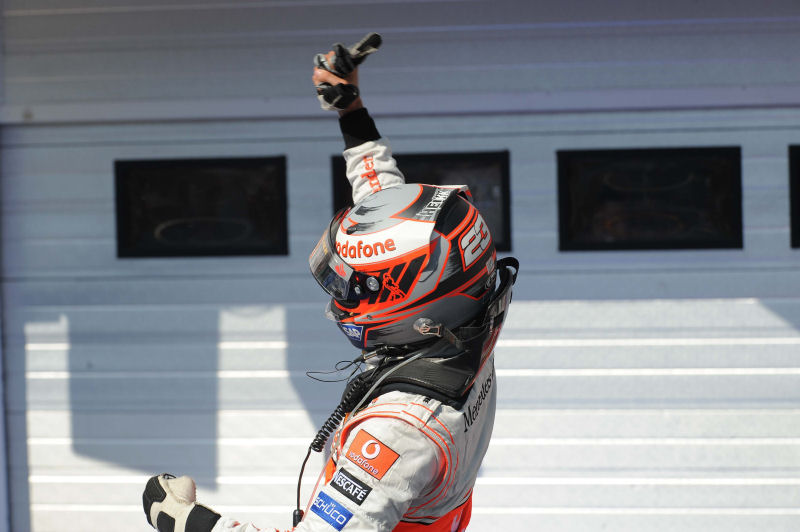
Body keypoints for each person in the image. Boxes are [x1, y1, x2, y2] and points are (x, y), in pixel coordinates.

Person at [142, 34, 518, 532]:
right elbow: (387, 206)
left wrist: (187, 522)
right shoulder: (466, 317)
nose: (344, 298)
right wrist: (351, 111)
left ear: (416, 302)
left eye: (358, 287)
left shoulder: (395, 433)